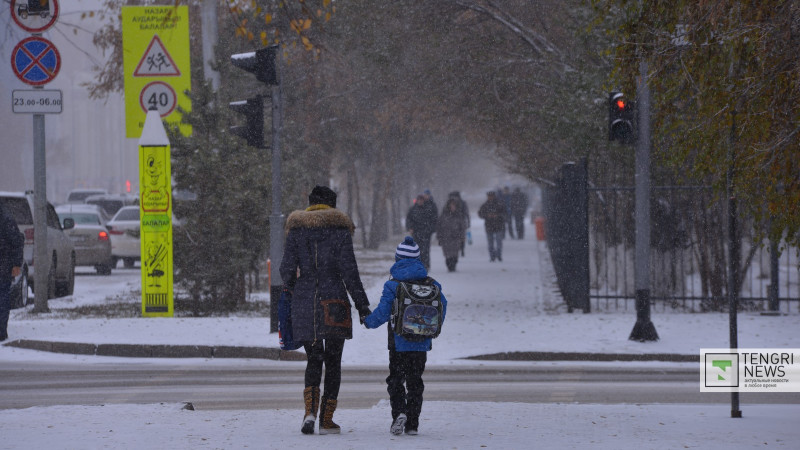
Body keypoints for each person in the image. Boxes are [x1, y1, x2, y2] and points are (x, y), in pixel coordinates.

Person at [280, 185, 372, 435]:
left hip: (305, 302)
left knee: (313, 359)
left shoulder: (296, 231)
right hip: (335, 302)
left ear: (310, 204)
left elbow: (286, 269)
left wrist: (292, 286)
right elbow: (350, 272)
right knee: (333, 361)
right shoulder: (340, 231)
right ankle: (327, 420)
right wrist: (362, 306)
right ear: (332, 205)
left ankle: (309, 413)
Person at [363, 236, 447, 435]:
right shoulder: (432, 285)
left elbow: (382, 313)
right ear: (418, 260)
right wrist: (430, 328)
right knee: (415, 381)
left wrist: (368, 321)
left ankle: (399, 413)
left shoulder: (393, 286)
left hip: (398, 343)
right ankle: (413, 424)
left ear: (397, 259)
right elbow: (442, 309)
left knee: (395, 380)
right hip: (421, 344)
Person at [0, 203, 24, 342]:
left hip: (3, 265)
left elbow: (16, 242)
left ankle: (1, 331)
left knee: (2, 297)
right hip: (4, 265)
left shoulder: (5, 218)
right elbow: (17, 241)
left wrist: (16, 263)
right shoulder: (6, 217)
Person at [405, 194, 438, 269]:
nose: (420, 201)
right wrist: (410, 228)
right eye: (419, 200)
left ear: (423, 201)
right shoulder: (413, 209)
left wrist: (431, 229)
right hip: (416, 233)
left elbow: (433, 219)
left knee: (426, 249)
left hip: (426, 233)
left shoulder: (428, 209)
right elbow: (408, 219)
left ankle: (426, 265)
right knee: (417, 249)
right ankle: (418, 264)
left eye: (421, 200)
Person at [436, 198, 466, 271]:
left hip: (456, 238)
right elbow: (439, 227)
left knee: (455, 254)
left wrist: (462, 236)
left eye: (454, 205)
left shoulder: (459, 215)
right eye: (451, 205)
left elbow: (462, 227)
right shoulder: (443, 216)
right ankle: (449, 266)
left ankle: (453, 265)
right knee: (447, 254)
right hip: (445, 238)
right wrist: (439, 237)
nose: (453, 207)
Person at [478, 191, 506, 262]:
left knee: (498, 242)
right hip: (489, 226)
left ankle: (498, 255)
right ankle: (492, 256)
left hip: (498, 225)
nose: (490, 198)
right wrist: (487, 215)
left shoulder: (499, 204)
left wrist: (497, 216)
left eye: (491, 196)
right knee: (490, 243)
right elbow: (480, 213)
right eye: (489, 196)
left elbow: (504, 213)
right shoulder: (485, 205)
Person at [447, 191, 470, 257]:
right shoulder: (462, 202)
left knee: (456, 237)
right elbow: (466, 213)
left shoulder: (450, 203)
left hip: (454, 223)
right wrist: (468, 222)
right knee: (461, 237)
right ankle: (461, 249)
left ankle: (456, 249)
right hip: (461, 223)